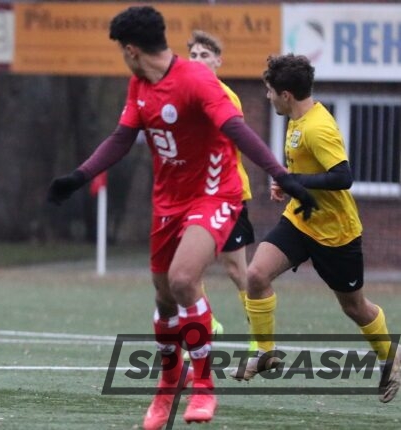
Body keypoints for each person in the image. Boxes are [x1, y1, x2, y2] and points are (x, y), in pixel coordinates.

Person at [46, 6, 316, 429]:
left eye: (121, 50)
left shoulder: (196, 80)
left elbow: (238, 130)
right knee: (164, 298)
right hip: (168, 201)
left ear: (131, 50)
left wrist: (281, 176)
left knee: (183, 279)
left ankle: (204, 387)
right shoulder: (139, 85)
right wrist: (79, 176)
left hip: (215, 193)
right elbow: (121, 138)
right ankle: (169, 383)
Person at [229, 53, 401, 403]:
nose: (268, 97)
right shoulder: (296, 117)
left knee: (355, 307)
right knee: (256, 275)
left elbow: (343, 177)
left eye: (270, 92)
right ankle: (265, 352)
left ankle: (391, 356)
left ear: (286, 95)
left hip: (336, 233)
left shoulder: (318, 127)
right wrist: (291, 186)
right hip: (300, 220)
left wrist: (295, 180)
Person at [187, 30, 257, 352]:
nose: (198, 60)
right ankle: (208, 324)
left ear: (218, 61)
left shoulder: (226, 97)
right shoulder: (184, 96)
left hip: (228, 194)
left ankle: (259, 334)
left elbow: (229, 142)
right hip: (194, 195)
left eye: (205, 55)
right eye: (193, 55)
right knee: (187, 267)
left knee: (235, 269)